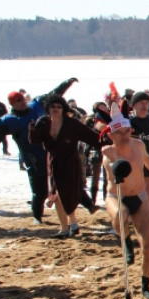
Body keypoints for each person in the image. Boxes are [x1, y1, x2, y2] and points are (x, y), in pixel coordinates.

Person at [101, 115, 149, 298]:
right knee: (121, 215)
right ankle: (126, 242)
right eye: (119, 133)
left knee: (148, 246)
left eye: (127, 131)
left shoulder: (138, 145)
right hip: (117, 196)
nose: (125, 136)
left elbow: (148, 161)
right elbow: (112, 175)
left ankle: (146, 286)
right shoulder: (108, 153)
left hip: (140, 197)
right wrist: (116, 168)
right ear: (112, 136)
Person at [28, 94, 101, 237]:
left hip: (70, 162)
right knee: (56, 195)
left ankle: (72, 224)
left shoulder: (71, 123)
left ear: (63, 108)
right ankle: (66, 227)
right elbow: (34, 140)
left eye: (59, 107)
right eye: (52, 107)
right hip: (53, 162)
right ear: (48, 108)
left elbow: (91, 137)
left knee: (67, 194)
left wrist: (108, 141)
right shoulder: (44, 123)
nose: (55, 109)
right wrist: (33, 127)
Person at [0, 90, 49, 224]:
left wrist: (68, 82)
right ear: (12, 104)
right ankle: (37, 216)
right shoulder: (9, 120)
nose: (23, 102)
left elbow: (55, 93)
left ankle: (88, 205)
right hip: (32, 158)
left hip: (50, 152)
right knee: (40, 191)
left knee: (66, 182)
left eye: (23, 99)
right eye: (18, 101)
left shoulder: (36, 105)